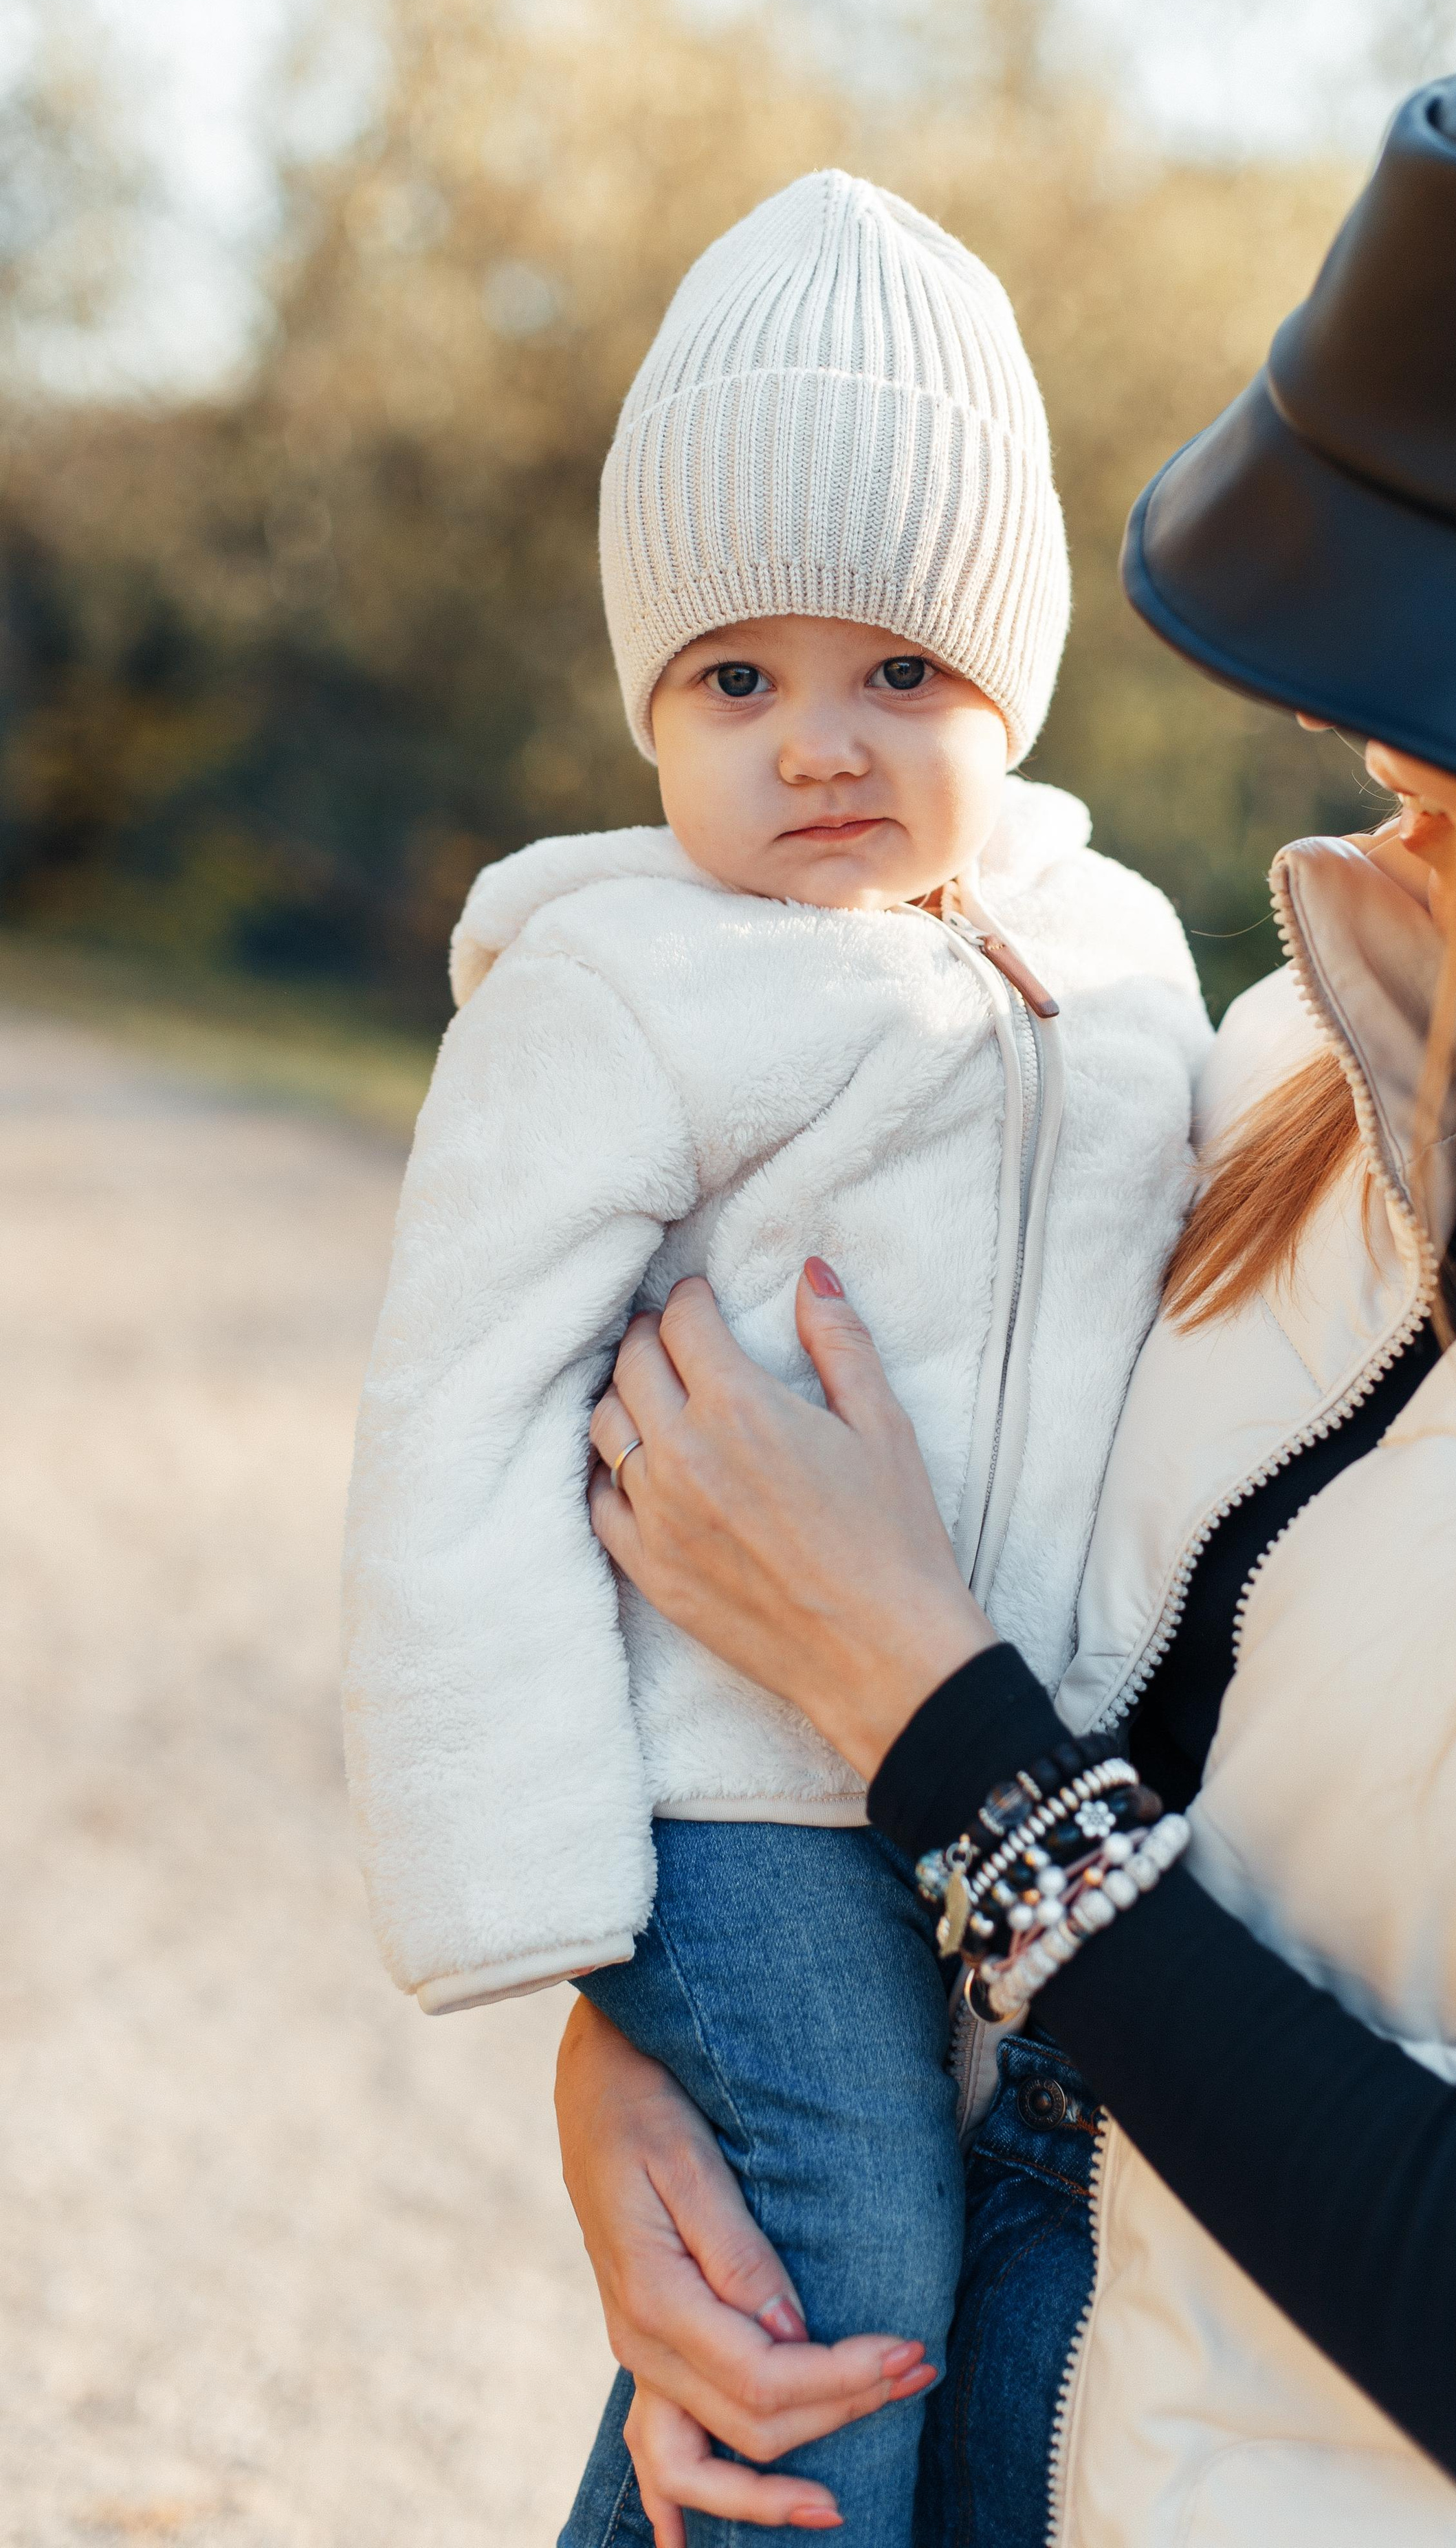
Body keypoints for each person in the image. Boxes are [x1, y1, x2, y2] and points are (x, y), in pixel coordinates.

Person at [557, 41, 1456, 2547]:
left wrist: (923, 1717)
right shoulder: (1265, 1081)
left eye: (1432, 657)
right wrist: (640, 2063)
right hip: (886, 2412)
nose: (1336, 712)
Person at [340, 170, 1209, 2545]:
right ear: (649, 707)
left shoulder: (1122, 961)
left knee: (978, 2296)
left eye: (896, 674)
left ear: (1009, 687)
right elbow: (461, 1412)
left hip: (996, 1769)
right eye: (740, 680)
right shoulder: (619, 992)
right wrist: (537, 1901)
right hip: (730, 1793)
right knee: (834, 2272)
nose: (818, 744)